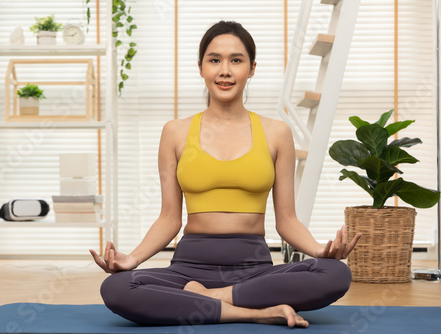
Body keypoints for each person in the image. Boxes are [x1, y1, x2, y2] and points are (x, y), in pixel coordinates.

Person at [90, 20, 361, 328]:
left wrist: (320, 251)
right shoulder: (175, 133)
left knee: (336, 273)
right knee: (116, 287)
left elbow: (286, 219)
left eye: (236, 60)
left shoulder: (276, 133)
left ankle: (211, 298)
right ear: (201, 67)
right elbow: (169, 218)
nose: (225, 71)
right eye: (214, 60)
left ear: (252, 68)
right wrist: (132, 260)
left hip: (255, 269)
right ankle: (255, 312)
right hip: (189, 269)